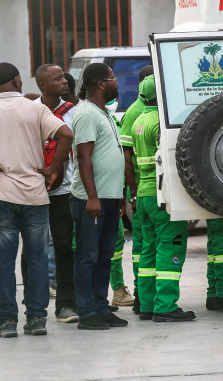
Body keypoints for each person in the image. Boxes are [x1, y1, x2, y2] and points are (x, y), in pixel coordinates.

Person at [0, 62, 72, 338]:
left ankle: (7, 322)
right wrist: (54, 168)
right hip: (35, 195)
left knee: (4, 263)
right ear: (18, 81)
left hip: (1, 194)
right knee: (38, 259)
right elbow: (65, 134)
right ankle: (37, 319)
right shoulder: (36, 108)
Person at [130, 75, 195, 322]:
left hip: (144, 195)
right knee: (170, 247)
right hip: (162, 196)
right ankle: (165, 306)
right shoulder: (160, 121)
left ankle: (147, 305)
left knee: (148, 251)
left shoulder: (139, 120)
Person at [70, 63, 128, 331]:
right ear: (101, 83)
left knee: (105, 255)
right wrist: (92, 197)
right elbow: (83, 157)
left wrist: (116, 197)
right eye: (113, 79)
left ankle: (101, 308)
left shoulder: (103, 113)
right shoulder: (87, 114)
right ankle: (87, 312)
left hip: (109, 197)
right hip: (91, 200)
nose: (117, 83)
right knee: (88, 256)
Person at [32, 64, 77, 323]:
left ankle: (66, 305)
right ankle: (34, 307)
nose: (64, 81)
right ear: (43, 86)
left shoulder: (72, 112)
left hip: (64, 190)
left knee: (64, 248)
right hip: (34, 190)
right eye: (57, 78)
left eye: (63, 77)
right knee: (33, 249)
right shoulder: (30, 111)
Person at [116, 65, 153, 313]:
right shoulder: (134, 113)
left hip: (149, 189)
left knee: (147, 244)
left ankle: (146, 293)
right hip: (141, 189)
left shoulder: (153, 109)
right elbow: (126, 158)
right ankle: (142, 291)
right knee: (141, 245)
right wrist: (132, 193)